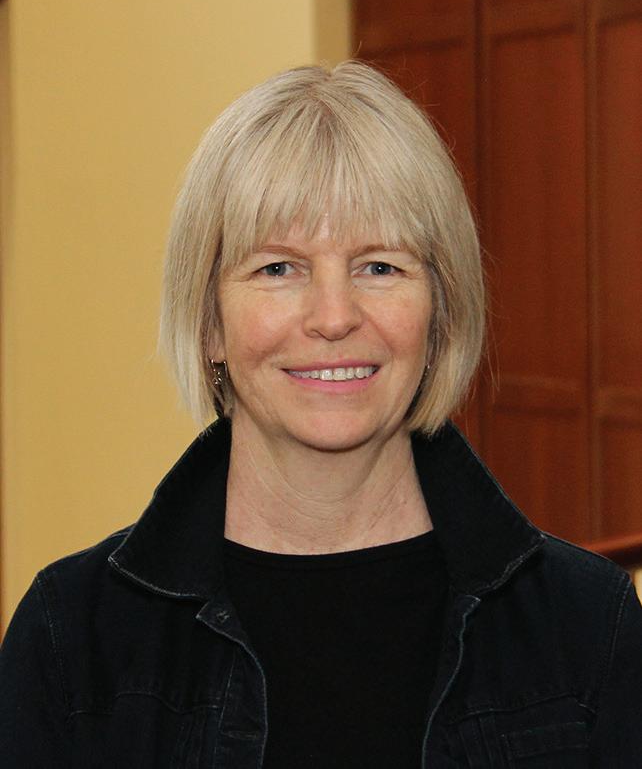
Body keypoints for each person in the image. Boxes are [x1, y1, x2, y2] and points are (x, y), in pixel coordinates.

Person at [1, 61, 641, 768]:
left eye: (380, 267)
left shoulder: (589, 623)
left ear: (439, 314)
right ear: (209, 322)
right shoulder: (73, 638)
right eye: (278, 268)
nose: (334, 317)